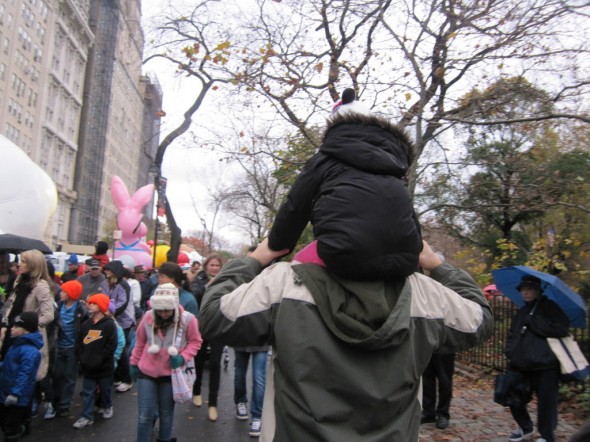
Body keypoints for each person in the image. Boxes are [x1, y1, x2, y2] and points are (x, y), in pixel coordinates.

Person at [199, 239, 493, 442]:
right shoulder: (424, 294)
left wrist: (256, 258)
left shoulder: (282, 284)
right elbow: (479, 318)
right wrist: (436, 264)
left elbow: (214, 315)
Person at [267, 88, 422, 281]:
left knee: (297, 268)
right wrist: (417, 251)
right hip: (404, 262)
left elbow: (296, 206)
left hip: (343, 255)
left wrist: (278, 244)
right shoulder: (395, 166)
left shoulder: (323, 160)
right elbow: (409, 214)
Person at [130, 283, 202, 442]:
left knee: (166, 414)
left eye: (167, 310)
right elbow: (140, 341)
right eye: (159, 310)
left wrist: (183, 357)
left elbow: (195, 342)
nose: (163, 313)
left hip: (170, 374)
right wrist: (134, 363)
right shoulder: (148, 317)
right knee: (144, 415)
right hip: (146, 372)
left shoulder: (188, 320)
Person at [504, 275, 570, 442]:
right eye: (523, 289)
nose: (525, 293)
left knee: (546, 403)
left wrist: (536, 322)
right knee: (514, 397)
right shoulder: (522, 311)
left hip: (545, 365)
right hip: (521, 364)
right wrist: (510, 351)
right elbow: (512, 333)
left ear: (538, 291)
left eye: (529, 289)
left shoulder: (550, 308)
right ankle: (525, 426)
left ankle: (547, 435)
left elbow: (562, 329)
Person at [0, 250, 54, 380]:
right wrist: (4, 325)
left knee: (23, 376)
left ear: (33, 265)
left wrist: (29, 328)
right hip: (12, 333)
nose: (19, 264)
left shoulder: (41, 285)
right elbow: (11, 305)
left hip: (28, 338)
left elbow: (48, 315)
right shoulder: (19, 281)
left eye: (23, 262)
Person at [232, 245, 269, 437]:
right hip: (240, 335)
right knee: (239, 375)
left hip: (261, 337)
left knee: (259, 378)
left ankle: (257, 416)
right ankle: (240, 401)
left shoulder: (268, 279)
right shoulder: (238, 279)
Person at [73, 293, 118, 429]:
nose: (90, 305)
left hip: (104, 366)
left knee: (105, 389)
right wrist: (82, 357)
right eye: (90, 303)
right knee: (88, 391)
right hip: (88, 366)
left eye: (94, 303)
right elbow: (79, 342)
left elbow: (112, 344)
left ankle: (107, 405)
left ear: (102, 306)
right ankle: (86, 416)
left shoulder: (109, 324)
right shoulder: (86, 324)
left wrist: (101, 358)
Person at [190, 253, 225, 421]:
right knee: (199, 360)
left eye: (217, 266)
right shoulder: (199, 279)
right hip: (202, 325)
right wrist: (207, 286)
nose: (215, 268)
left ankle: (212, 403)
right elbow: (194, 295)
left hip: (218, 325)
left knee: (215, 363)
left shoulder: (225, 279)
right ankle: (196, 391)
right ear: (206, 266)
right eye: (212, 265)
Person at [0, 312, 42, 442]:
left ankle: (15, 434)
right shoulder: (15, 345)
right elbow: (9, 364)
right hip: (6, 390)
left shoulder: (30, 351)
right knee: (5, 421)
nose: (12, 329)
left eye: (16, 326)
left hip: (17, 397)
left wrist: (15, 393)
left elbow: (25, 374)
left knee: (10, 426)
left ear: (26, 330)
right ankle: (22, 427)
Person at [49, 280, 88, 418]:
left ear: (71, 294)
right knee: (57, 375)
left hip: (72, 348)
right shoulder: (58, 306)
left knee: (69, 377)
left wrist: (82, 349)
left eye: (64, 291)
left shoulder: (81, 310)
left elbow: (84, 330)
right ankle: (55, 402)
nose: (61, 293)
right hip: (58, 346)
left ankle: (64, 405)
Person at [101, 260, 134, 392]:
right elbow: (103, 298)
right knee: (112, 346)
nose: (106, 272)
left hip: (123, 320)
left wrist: (110, 312)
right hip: (109, 318)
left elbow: (123, 303)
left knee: (120, 348)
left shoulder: (123, 285)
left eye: (108, 269)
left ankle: (127, 379)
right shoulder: (105, 283)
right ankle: (117, 376)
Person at [420, 352, 455, 429]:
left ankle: (443, 414)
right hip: (428, 348)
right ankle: (428, 412)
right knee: (426, 379)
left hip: (445, 348)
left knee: (445, 380)